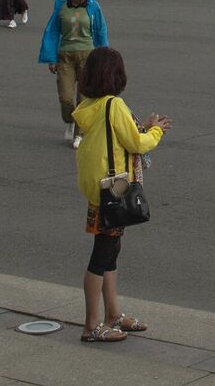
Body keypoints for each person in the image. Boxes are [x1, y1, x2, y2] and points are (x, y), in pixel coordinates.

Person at [72, 47, 171, 343]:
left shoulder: (91, 105)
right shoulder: (114, 105)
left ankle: (112, 314)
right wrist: (156, 131)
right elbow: (135, 142)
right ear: (115, 76)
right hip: (114, 189)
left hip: (100, 190)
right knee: (101, 256)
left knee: (110, 250)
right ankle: (92, 325)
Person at [40, 0, 110, 148]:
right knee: (65, 97)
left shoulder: (93, 6)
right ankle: (70, 120)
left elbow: (101, 30)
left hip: (88, 55)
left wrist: (104, 54)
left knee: (84, 97)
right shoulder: (61, 7)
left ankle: (79, 133)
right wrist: (51, 58)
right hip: (65, 56)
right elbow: (52, 32)